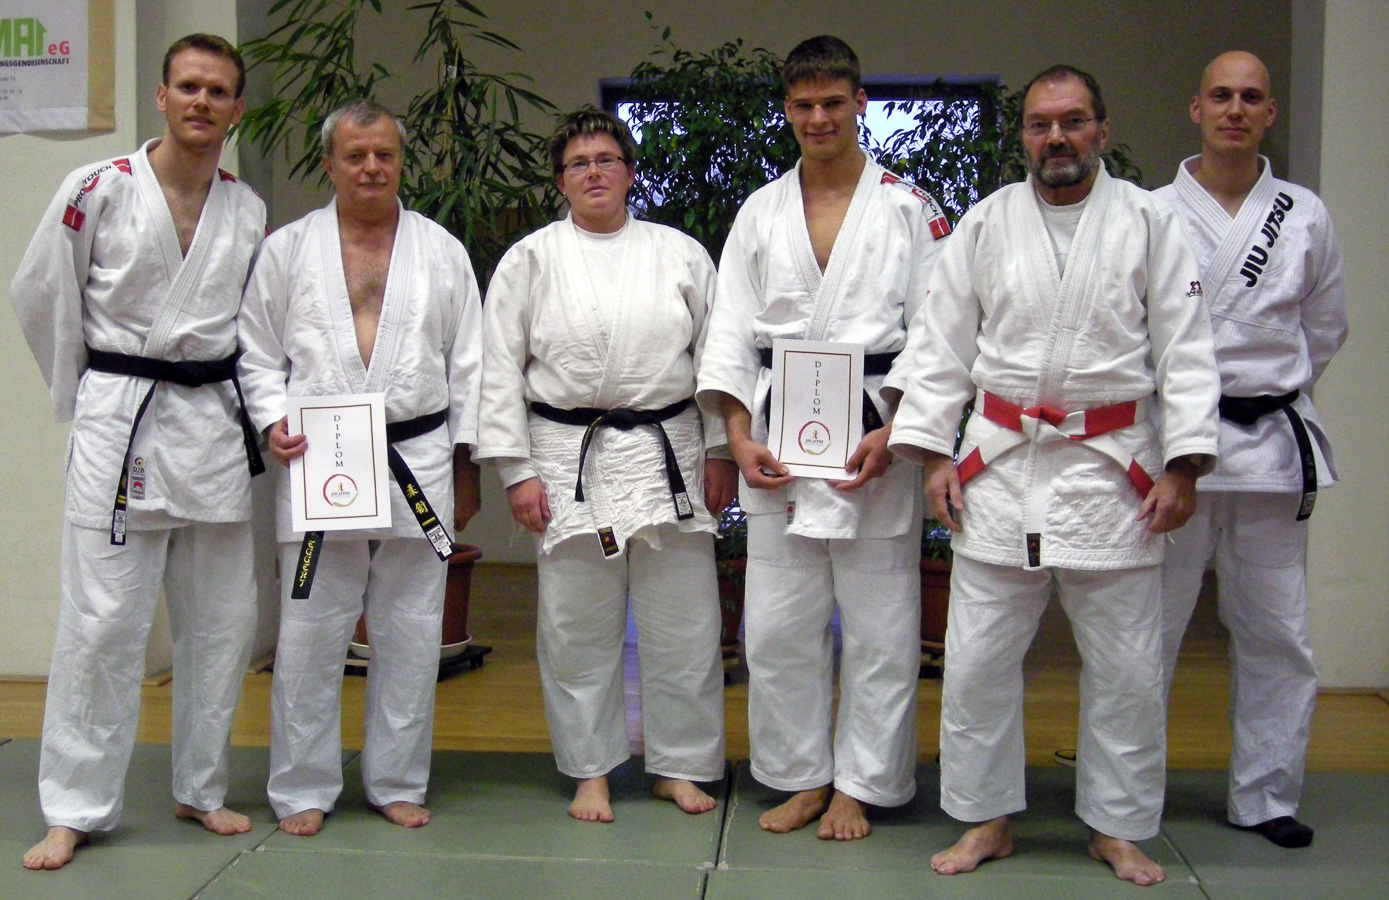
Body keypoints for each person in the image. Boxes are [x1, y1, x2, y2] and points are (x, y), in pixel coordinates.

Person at [888, 65, 1221, 884]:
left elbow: (1184, 348)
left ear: (1101, 130)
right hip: (1000, 467)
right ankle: (985, 817)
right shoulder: (986, 222)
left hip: (1113, 474)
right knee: (975, 662)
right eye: (1039, 124)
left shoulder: (1147, 221)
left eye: (1072, 121)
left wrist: (1183, 465)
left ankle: (1117, 825)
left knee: (1126, 667)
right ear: (1023, 138)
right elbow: (939, 346)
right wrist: (934, 453)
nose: (1056, 137)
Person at [11, 34, 267, 870]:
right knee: (101, 625)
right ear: (161, 96)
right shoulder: (96, 188)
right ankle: (74, 806)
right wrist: (85, 392)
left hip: (212, 427)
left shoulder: (247, 207)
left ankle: (201, 786)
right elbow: (40, 291)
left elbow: (256, 329)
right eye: (188, 86)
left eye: (218, 91)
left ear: (236, 109)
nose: (201, 101)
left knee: (221, 624)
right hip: (121, 420)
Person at [695, 36, 949, 841]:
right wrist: (736, 435)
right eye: (803, 105)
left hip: (876, 437)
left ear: (859, 103)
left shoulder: (909, 209)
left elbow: (938, 332)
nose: (818, 118)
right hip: (779, 437)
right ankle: (799, 775)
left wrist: (897, 431)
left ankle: (861, 786)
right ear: (786, 109)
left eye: (832, 103)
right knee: (776, 626)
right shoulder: (760, 211)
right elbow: (729, 331)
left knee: (880, 627)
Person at [477, 108, 734, 823]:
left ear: (629, 171)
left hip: (669, 450)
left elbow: (716, 359)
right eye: (577, 163)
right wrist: (516, 471)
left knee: (685, 622)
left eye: (606, 159)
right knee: (575, 626)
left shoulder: (681, 254)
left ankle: (680, 764)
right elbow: (497, 370)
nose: (593, 173)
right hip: (567, 456)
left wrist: (720, 449)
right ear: (560, 180)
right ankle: (590, 769)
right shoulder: (529, 260)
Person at [235, 99, 482, 836]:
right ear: (330, 163)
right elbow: (256, 351)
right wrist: (271, 419)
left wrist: (467, 464)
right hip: (322, 456)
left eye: (384, 155)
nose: (371, 168)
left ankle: (397, 780)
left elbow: (470, 365)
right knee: (311, 627)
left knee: (411, 627)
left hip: (419, 452)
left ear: (401, 162)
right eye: (355, 156)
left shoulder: (441, 250)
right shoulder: (288, 250)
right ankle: (301, 787)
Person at [1156, 51, 1347, 850]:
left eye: (1250, 98)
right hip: (1176, 449)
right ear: (1196, 108)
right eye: (1221, 96)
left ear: (1269, 113)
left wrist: (1267, 388)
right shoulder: (1153, 211)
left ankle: (1266, 795)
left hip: (1268, 446)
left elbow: (1324, 328)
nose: (1234, 109)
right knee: (1146, 628)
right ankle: (1126, 791)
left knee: (1275, 629)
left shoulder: (1303, 214)